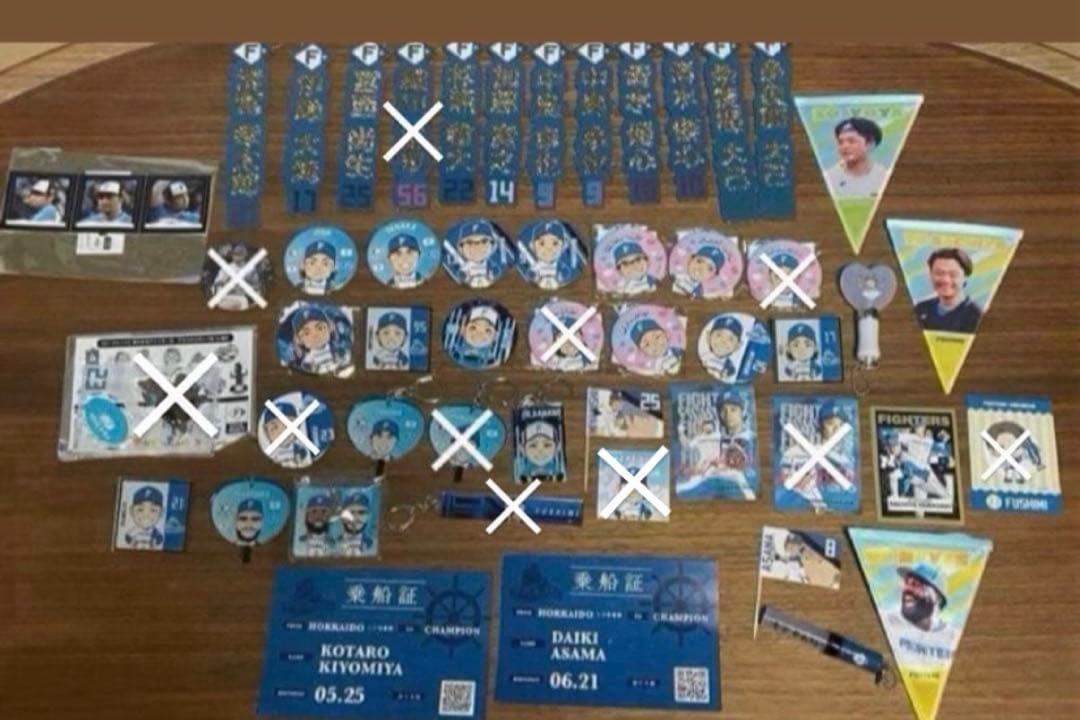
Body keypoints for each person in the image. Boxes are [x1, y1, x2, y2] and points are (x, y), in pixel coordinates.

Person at [886, 563, 958, 660]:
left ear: (937, 597)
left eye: (916, 584)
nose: (907, 589)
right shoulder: (887, 622)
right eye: (906, 582)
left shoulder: (952, 637)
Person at [914, 248, 983, 333]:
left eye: (953, 274)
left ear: (965, 277)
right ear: (930, 275)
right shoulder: (920, 309)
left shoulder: (977, 317)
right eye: (939, 273)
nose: (945, 280)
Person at [825, 117, 888, 197]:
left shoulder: (884, 177)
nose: (845, 147)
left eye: (851, 141)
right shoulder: (829, 178)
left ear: (870, 143)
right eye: (840, 142)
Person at [449, 219, 500, 287]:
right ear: (460, 248)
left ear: (492, 245)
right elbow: (461, 277)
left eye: (484, 241)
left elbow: (496, 272)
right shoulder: (464, 268)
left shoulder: (492, 266)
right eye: (470, 243)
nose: (477, 247)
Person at [524, 221, 568, 289]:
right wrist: (536, 278)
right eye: (542, 243)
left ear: (563, 246)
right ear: (532, 246)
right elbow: (530, 274)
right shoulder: (536, 265)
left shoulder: (559, 264)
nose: (548, 248)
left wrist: (560, 279)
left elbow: (565, 273)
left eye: (555, 243)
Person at [704, 316, 744, 381]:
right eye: (719, 335)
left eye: (730, 339)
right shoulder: (703, 358)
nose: (723, 341)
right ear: (708, 336)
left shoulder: (730, 368)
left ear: (738, 346)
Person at [339, 491, 374, 556]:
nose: (356, 517)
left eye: (361, 512)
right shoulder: (336, 542)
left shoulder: (371, 544)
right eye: (351, 512)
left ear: (368, 516)